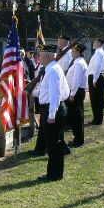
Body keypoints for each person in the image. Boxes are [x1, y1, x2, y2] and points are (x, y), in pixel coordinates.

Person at [29, 44, 71, 181]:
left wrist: (52, 115)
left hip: (54, 110)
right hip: (53, 108)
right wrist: (32, 92)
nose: (38, 57)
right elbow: (46, 92)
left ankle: (54, 174)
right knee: (52, 143)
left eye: (40, 55)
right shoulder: (51, 68)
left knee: (54, 144)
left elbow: (55, 95)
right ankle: (53, 173)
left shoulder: (52, 70)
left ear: (46, 56)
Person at [66, 43, 88, 147]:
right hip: (76, 92)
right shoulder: (78, 62)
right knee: (76, 116)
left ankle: (78, 140)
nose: (71, 53)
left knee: (77, 117)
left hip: (76, 92)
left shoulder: (79, 63)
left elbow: (76, 80)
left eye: (73, 51)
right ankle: (77, 138)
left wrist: (72, 94)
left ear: (78, 53)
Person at [87, 37, 104, 125]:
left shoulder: (99, 52)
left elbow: (98, 66)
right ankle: (96, 118)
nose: (93, 43)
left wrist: (94, 80)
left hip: (97, 77)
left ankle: (98, 120)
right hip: (95, 76)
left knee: (97, 99)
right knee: (94, 99)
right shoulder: (97, 52)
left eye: (94, 42)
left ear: (99, 43)